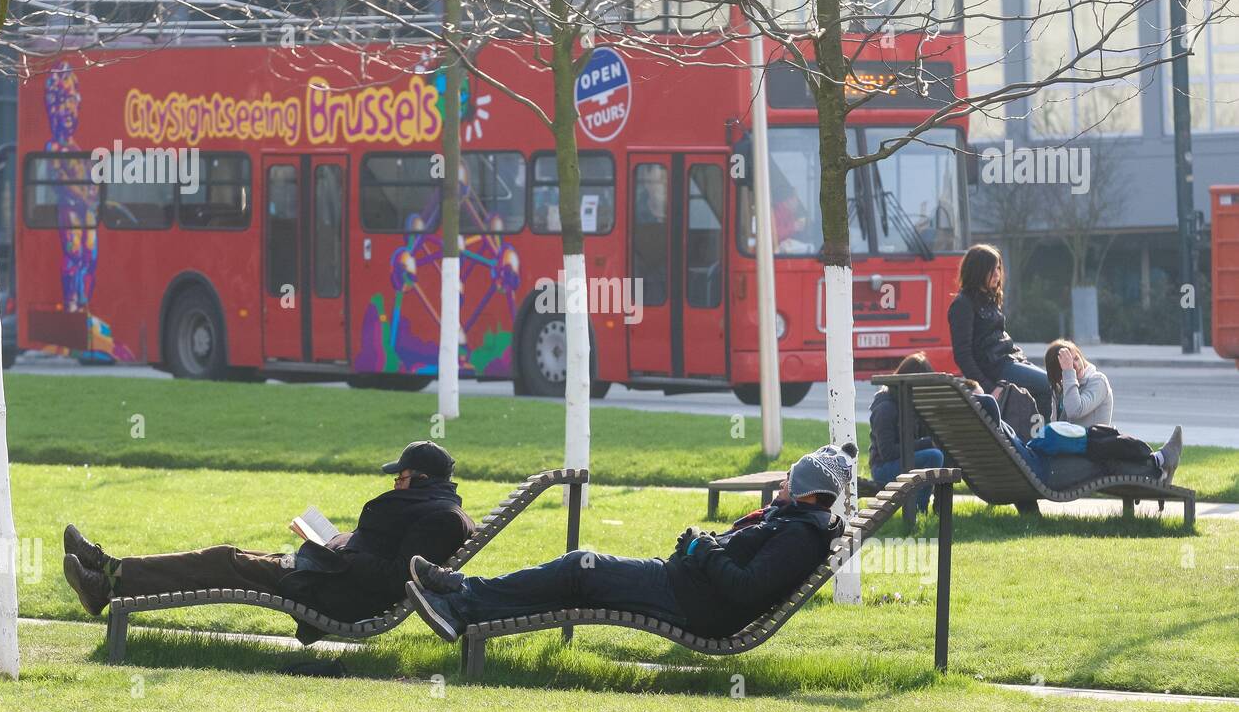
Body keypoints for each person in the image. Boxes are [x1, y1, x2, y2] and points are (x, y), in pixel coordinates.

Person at [404, 444, 856, 642]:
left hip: (691, 603)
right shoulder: (795, 522)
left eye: (789, 480)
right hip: (683, 587)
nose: (780, 484)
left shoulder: (799, 536)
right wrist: (701, 545)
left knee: (579, 568)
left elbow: (746, 588)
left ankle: (460, 602)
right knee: (576, 575)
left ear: (808, 491)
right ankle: (460, 594)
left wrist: (704, 549)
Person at [61, 440, 474, 644]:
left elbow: (394, 579)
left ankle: (106, 582)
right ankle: (106, 568)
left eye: (399, 477)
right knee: (228, 558)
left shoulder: (440, 520)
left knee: (223, 561)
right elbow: (386, 557)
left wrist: (341, 549)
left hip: (337, 592)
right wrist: (336, 541)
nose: (395, 483)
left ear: (420, 479)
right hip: (328, 572)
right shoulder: (433, 507)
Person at [971, 385, 1183, 490]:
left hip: (1037, 465)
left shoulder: (984, 436)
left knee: (1098, 443)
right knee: (1099, 451)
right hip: (1046, 471)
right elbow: (989, 403)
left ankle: (1158, 462)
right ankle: (1158, 464)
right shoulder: (991, 422)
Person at [948, 243, 1052, 419]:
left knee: (1052, 386)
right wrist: (988, 387)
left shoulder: (989, 299)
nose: (998, 274)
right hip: (997, 368)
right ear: (978, 271)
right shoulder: (962, 304)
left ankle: (1040, 437)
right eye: (992, 269)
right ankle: (1043, 439)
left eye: (998, 268)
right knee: (1048, 385)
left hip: (1009, 360)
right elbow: (962, 355)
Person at [869, 352, 945, 512]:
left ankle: (938, 508)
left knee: (941, 450)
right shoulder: (886, 408)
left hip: (905, 461)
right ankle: (919, 508)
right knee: (934, 455)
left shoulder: (913, 404)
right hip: (883, 468)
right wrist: (926, 443)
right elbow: (887, 453)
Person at [1044, 339, 1113, 427]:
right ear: (1058, 372)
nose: (1076, 366)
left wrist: (1068, 371)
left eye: (1076, 358)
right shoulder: (1063, 384)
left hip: (1092, 440)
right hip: (1067, 439)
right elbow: (1055, 423)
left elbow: (1074, 411)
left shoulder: (1098, 380)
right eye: (1069, 364)